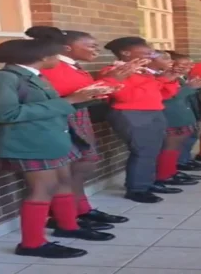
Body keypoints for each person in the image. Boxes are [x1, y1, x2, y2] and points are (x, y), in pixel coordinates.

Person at [0, 39, 111, 258]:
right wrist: (69, 100)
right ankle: (32, 244)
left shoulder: (34, 76)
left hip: (51, 139)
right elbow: (4, 113)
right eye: (55, 55)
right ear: (42, 57)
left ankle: (68, 226)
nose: (58, 60)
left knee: (63, 182)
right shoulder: (5, 78)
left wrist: (86, 99)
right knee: (43, 189)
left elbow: (52, 106)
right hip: (30, 142)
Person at [26, 26, 132, 232]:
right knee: (72, 170)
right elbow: (63, 93)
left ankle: (81, 209)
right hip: (64, 119)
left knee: (82, 166)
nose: (96, 50)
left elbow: (82, 91)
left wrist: (111, 82)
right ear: (66, 47)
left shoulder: (71, 65)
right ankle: (65, 215)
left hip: (78, 116)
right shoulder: (51, 67)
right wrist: (110, 81)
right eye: (91, 46)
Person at [99, 37, 181, 203]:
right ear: (126, 53)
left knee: (153, 150)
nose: (150, 55)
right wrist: (155, 82)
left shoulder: (143, 72)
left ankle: (148, 182)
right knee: (143, 151)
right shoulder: (114, 71)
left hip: (153, 112)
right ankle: (137, 189)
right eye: (145, 52)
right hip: (131, 113)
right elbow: (124, 96)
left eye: (150, 52)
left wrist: (168, 80)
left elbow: (162, 94)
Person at [165, 52, 201, 173]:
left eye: (191, 64)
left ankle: (185, 159)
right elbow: (171, 96)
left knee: (190, 138)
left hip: (190, 112)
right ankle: (177, 164)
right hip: (175, 115)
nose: (190, 67)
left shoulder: (184, 77)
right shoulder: (168, 79)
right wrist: (190, 87)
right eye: (184, 64)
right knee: (176, 143)